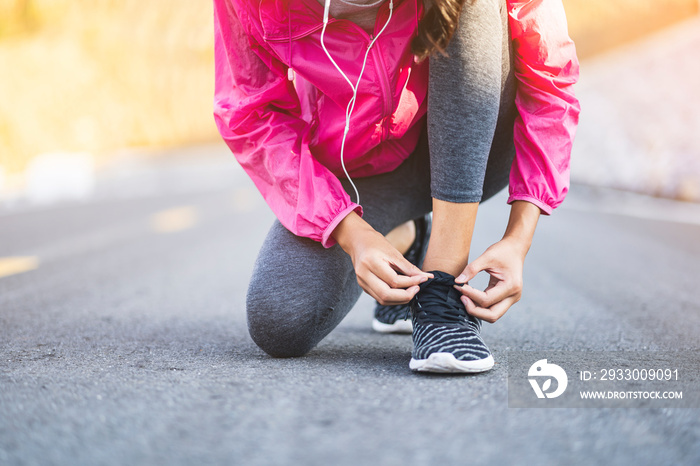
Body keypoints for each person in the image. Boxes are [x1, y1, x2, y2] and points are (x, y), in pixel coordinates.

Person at [213, 0, 580, 373]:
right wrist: (350, 231)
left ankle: (442, 288)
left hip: (480, 146)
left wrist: (519, 237)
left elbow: (551, 81)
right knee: (280, 319)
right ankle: (407, 236)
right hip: (364, 165)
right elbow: (252, 113)